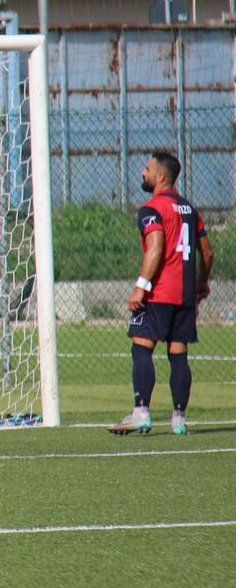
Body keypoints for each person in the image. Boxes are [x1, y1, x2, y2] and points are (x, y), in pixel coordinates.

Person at [110, 152, 212, 437]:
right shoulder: (190, 210)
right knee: (178, 355)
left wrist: (141, 285)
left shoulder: (151, 209)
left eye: (147, 169)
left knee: (141, 347)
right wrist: (201, 283)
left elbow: (155, 248)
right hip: (185, 295)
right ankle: (179, 419)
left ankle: (141, 412)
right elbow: (208, 252)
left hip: (158, 293)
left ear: (161, 176)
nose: (143, 173)